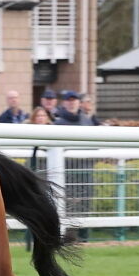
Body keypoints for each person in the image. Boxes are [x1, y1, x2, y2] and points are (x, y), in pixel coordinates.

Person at [53, 91, 93, 242]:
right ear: (64, 103)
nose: (71, 103)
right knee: (68, 203)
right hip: (68, 170)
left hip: (85, 168)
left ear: (78, 102)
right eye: (68, 100)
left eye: (74, 100)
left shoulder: (86, 120)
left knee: (85, 202)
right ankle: (68, 237)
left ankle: (84, 237)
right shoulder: (59, 122)